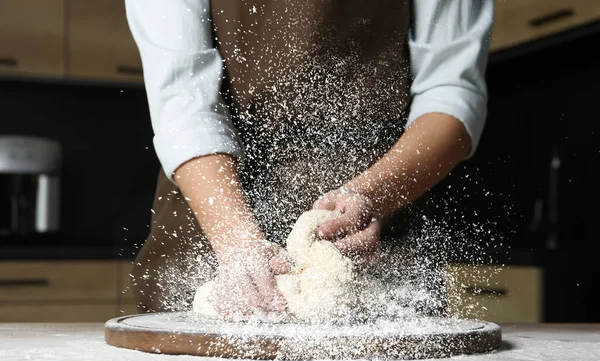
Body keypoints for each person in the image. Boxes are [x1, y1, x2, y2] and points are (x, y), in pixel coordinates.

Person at [125, 0, 493, 318]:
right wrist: (238, 245)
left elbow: (452, 89)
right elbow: (183, 100)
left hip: (381, 212)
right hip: (216, 208)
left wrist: (373, 195)